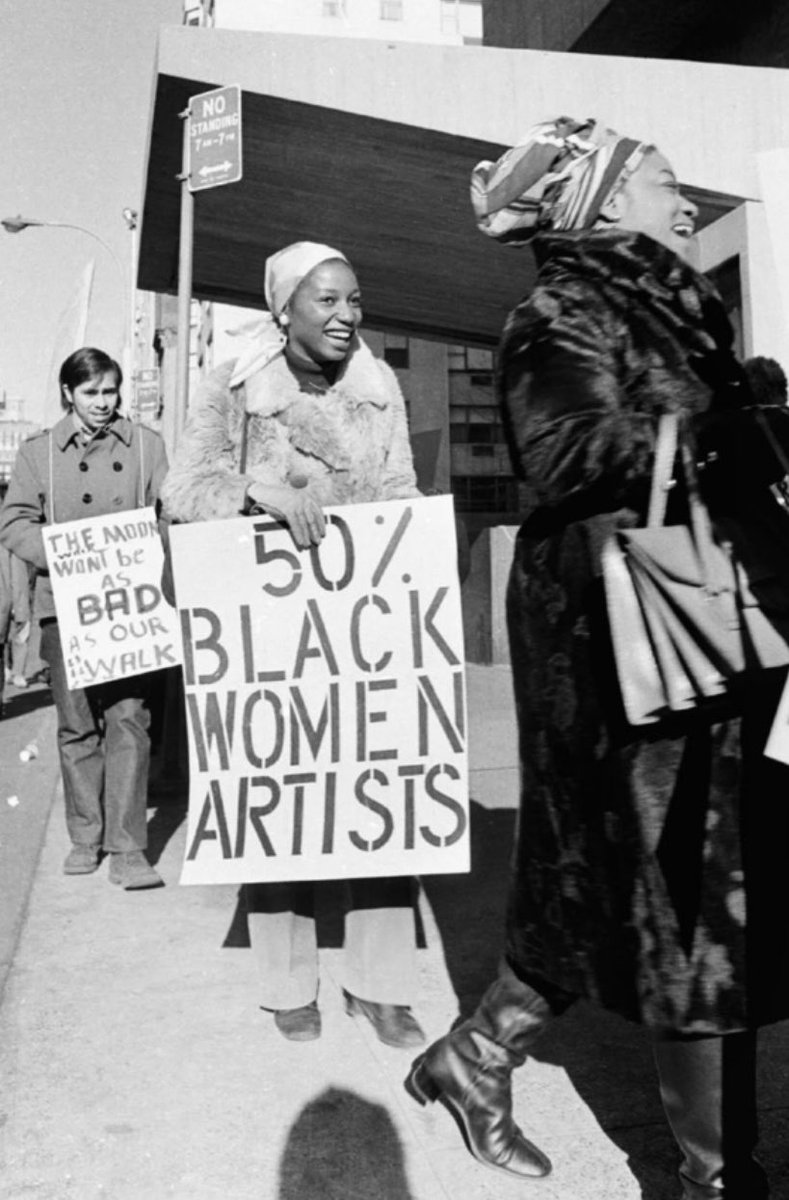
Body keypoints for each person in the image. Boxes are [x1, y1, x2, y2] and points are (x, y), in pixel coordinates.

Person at [405, 117, 789, 1198]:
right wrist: (713, 425)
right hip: (628, 635)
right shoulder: (556, 310)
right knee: (689, 903)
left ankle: (475, 1058)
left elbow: (721, 451)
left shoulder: (682, 308)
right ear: (606, 202)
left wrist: (762, 421)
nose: (688, 196)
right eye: (667, 178)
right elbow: (566, 451)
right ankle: (720, 1177)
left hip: (727, 624)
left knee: (639, 886)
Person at [161, 240, 427, 1049]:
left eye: (354, 300)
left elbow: (401, 494)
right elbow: (183, 490)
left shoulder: (381, 394)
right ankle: (287, 982)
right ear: (283, 309)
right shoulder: (234, 388)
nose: (347, 315)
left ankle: (378, 984)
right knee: (280, 799)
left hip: (362, 630)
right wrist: (258, 493)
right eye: (327, 301)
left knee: (386, 797)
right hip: (270, 638)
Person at [0, 347, 168, 889]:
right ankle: (84, 837)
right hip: (66, 608)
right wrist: (68, 553)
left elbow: (171, 512)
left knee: (128, 720)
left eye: (111, 391)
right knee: (77, 726)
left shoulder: (147, 445)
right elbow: (14, 523)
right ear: (68, 393)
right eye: (92, 392)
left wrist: (147, 553)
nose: (104, 402)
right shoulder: (38, 453)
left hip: (131, 607)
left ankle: (128, 848)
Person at [0, 544, 31, 712]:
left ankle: (17, 672)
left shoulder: (6, 541)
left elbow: (18, 577)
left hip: (4, 602)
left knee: (19, 636)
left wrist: (19, 606)